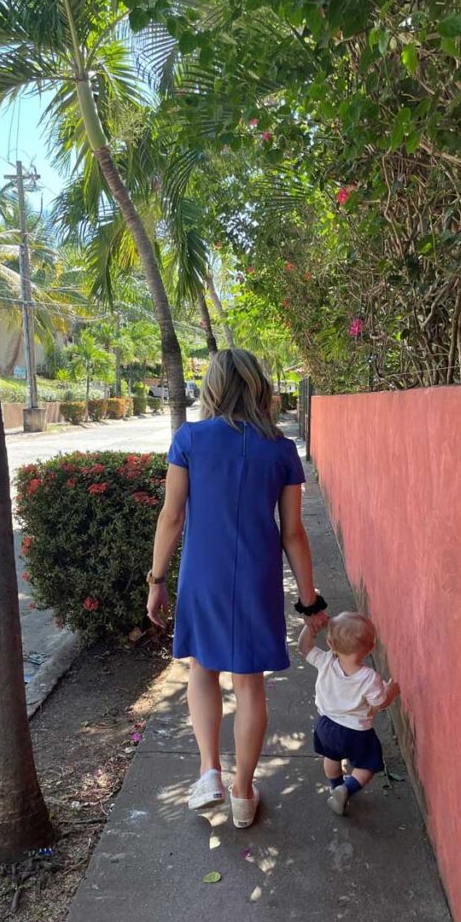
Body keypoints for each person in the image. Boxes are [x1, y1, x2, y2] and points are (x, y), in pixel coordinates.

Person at [147, 349, 327, 829]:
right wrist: (310, 601)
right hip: (256, 577)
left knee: (201, 670)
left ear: (213, 387)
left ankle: (209, 772)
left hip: (202, 576)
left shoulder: (189, 439)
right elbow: (293, 532)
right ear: (259, 386)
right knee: (249, 684)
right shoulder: (281, 449)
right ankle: (243, 794)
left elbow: (172, 515)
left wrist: (157, 579)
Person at [299, 611, 400, 815]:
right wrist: (391, 691)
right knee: (368, 764)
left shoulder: (325, 661)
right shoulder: (369, 678)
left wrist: (309, 626)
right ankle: (347, 788)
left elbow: (304, 647)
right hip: (356, 733)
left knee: (331, 756)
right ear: (371, 648)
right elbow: (380, 703)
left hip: (326, 726)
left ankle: (335, 786)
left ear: (330, 643)